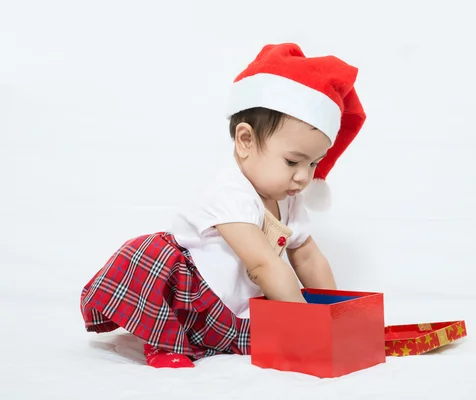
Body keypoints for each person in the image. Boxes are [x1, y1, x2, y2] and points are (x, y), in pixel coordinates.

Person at [79, 42, 367, 368]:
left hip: (231, 296)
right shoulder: (230, 194)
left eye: (315, 163)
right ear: (245, 141)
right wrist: (308, 323)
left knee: (264, 335)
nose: (303, 177)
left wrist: (334, 314)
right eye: (292, 161)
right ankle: (162, 342)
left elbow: (308, 257)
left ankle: (214, 333)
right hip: (189, 286)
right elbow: (263, 265)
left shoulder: (289, 198)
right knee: (159, 274)